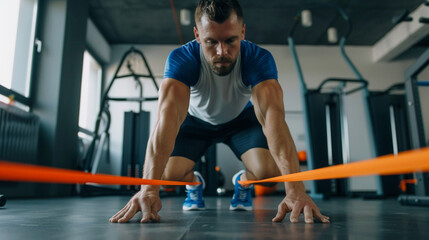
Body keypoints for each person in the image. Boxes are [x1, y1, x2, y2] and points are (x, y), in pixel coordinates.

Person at [110, 0, 329, 224]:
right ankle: (193, 183)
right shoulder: (182, 59)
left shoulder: (258, 59)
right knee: (166, 178)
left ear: (242, 31)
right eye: (211, 42)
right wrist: (148, 189)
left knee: (268, 174)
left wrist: (295, 190)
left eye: (230, 40)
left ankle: (242, 182)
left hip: (240, 122)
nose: (221, 51)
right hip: (195, 122)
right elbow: (166, 122)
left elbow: (275, 122)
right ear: (197, 34)